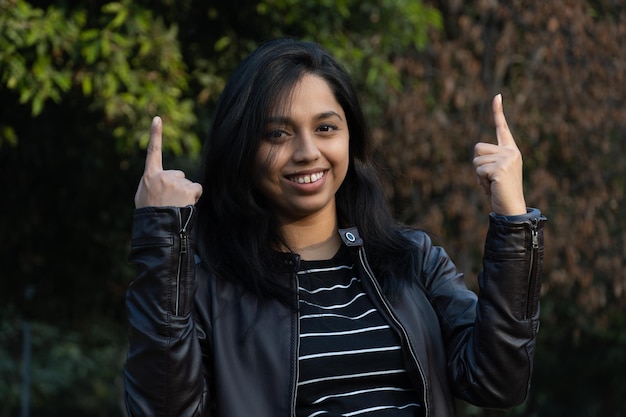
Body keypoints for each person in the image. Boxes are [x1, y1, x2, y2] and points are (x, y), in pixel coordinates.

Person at [124, 38, 546, 417]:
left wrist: (512, 218)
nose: (307, 152)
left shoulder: (411, 259)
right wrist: (161, 240)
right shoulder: (210, 288)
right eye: (277, 134)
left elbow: (497, 381)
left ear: (350, 138)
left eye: (326, 128)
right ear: (242, 149)